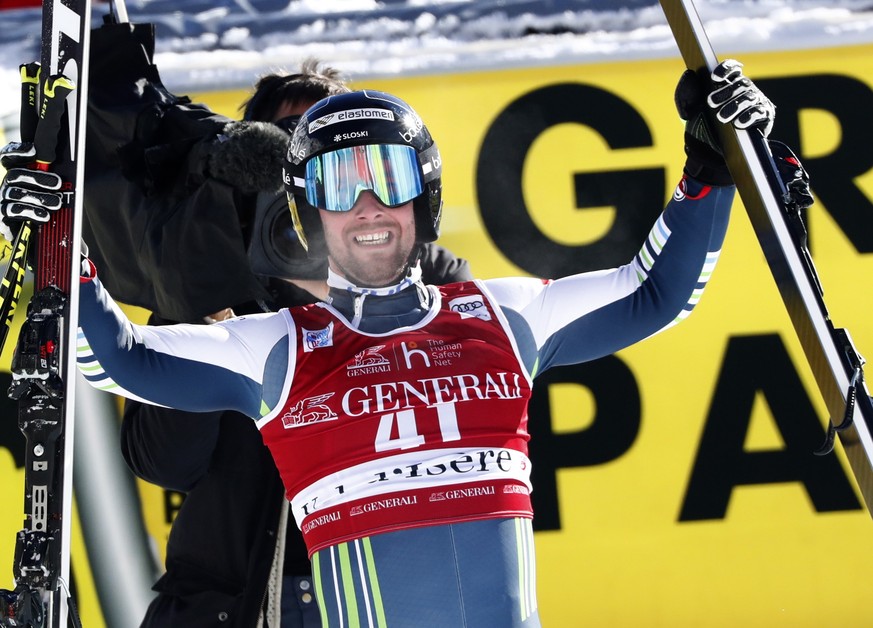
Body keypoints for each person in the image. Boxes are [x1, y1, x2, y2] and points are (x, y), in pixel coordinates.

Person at [2, 59, 798, 627]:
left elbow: (655, 293)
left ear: (426, 192)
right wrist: (58, 241)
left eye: (387, 174)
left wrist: (709, 165)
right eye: (339, 186)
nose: (370, 204)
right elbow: (115, 358)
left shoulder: (503, 316)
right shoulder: (272, 346)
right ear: (307, 212)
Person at [119, 64, 472, 628]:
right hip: (232, 603)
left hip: (388, 597)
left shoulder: (430, 280)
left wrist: (369, 292)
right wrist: (208, 312)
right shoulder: (209, 277)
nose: (299, 175)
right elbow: (166, 463)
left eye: (326, 157)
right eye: (280, 153)